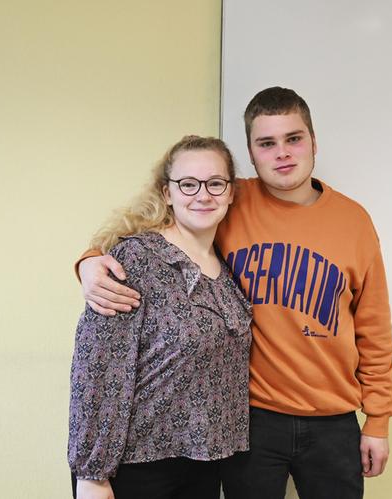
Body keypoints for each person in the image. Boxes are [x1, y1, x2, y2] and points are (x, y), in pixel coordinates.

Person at [77, 87, 392, 499]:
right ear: (251, 152)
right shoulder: (228, 201)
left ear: (314, 142)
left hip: (333, 418)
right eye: (267, 143)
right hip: (252, 420)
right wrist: (88, 261)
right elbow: (144, 234)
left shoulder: (354, 220)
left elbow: (374, 329)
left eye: (293, 138)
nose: (282, 153)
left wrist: (378, 419)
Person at [68, 135, 253, 499]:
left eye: (215, 184)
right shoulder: (134, 261)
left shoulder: (227, 272)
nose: (203, 195)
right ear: (167, 193)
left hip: (204, 463)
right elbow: (98, 369)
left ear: (231, 192)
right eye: (188, 184)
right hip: (138, 467)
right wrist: (92, 475)